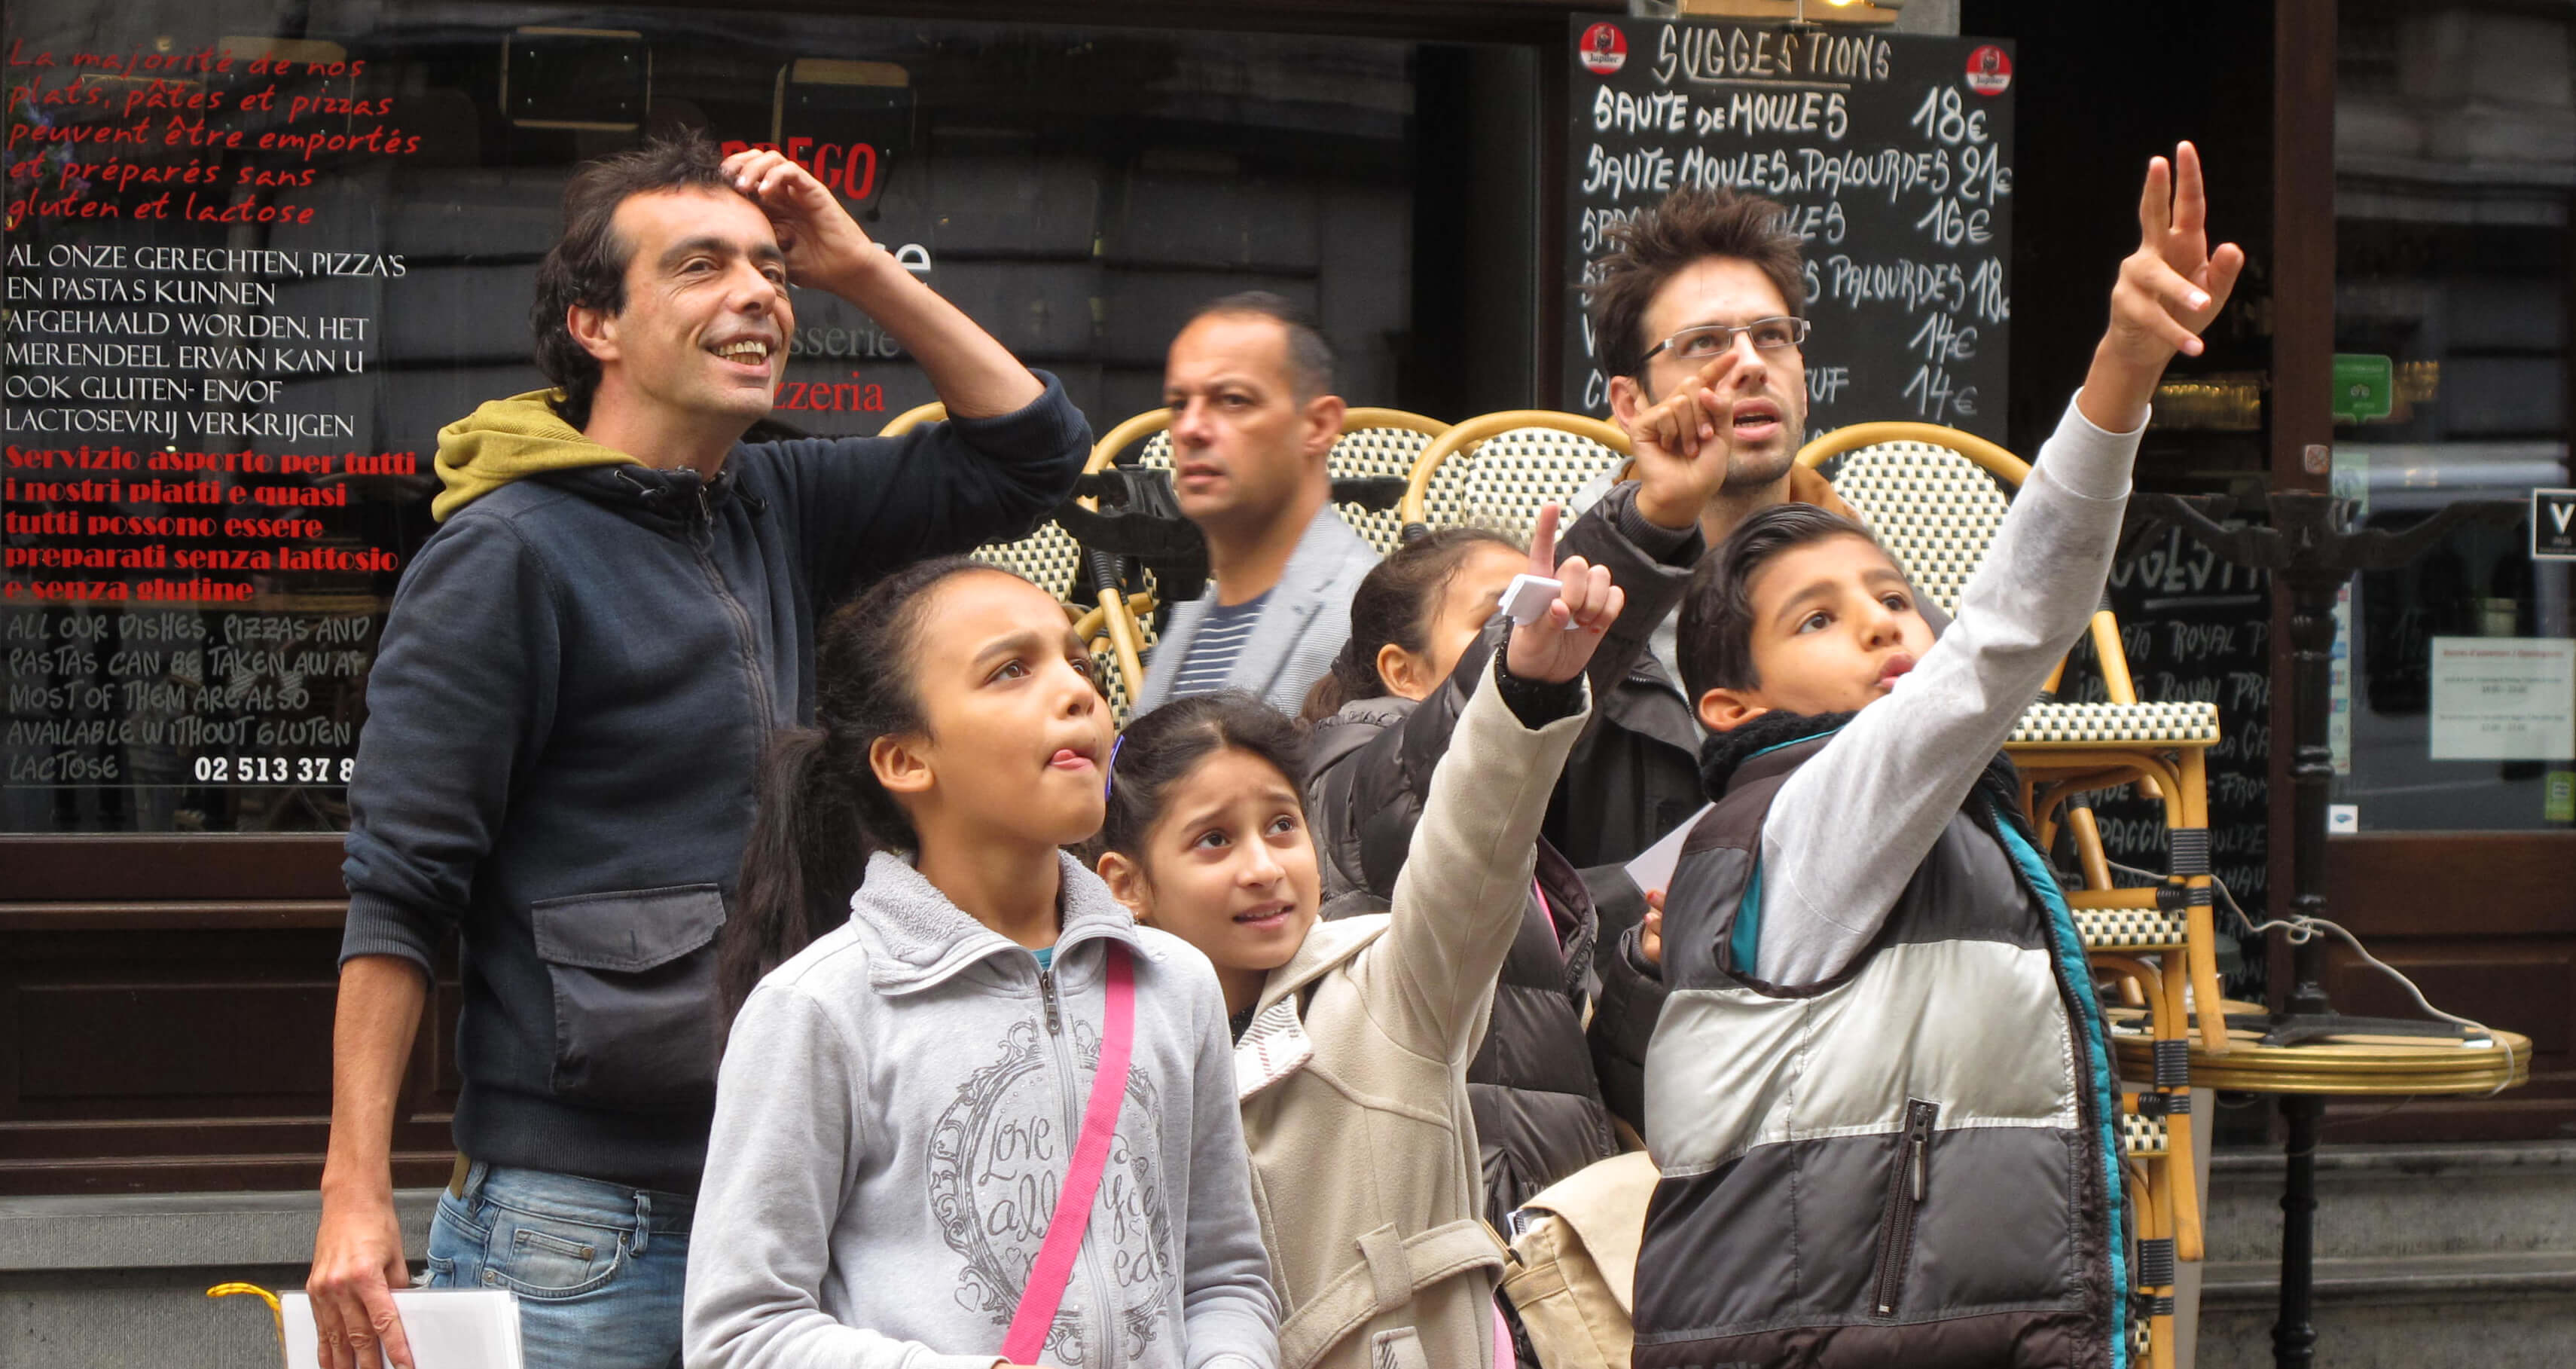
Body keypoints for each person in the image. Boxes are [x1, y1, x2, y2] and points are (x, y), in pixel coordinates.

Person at [310, 134, 1092, 1369]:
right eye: (701, 267)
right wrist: (353, 1189)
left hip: (789, 1192)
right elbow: (402, 889)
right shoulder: (503, 556)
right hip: (586, 1225)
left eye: (771, 270)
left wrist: (860, 268)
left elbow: (1036, 450)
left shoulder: (772, 502)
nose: (758, 295)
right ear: (597, 325)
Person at [1626, 145, 2240, 1367]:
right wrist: (2122, 367)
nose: (1881, 623)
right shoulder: (1811, 802)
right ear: (1732, 705)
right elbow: (2011, 629)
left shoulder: (1927, 800)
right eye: (1819, 617)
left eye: (1897, 597)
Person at [683, 558, 1277, 1369]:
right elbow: (741, 1331)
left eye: (1082, 663)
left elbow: (1222, 1274)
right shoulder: (822, 1008)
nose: (1077, 691)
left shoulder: (1175, 979)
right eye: (1010, 671)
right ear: (904, 760)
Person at [1093, 509, 1622, 1369]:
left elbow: (1475, 842)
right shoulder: (1097, 1050)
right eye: (1214, 841)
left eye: (1282, 825)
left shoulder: (1392, 986)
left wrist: (1525, 691)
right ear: (1127, 884)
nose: (1264, 867)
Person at [1295, 383, 1738, 1200]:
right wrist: (1640, 529)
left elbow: (1577, 1081)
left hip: (1553, 1241)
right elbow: (1433, 774)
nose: (1538, 626)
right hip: (1452, 1229)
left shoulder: (1530, 812)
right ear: (1402, 669)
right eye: (1503, 612)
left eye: (1539, 604)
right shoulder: (1344, 772)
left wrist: (1639, 973)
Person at [1579, 185, 1868, 691]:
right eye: (1705, 342)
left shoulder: (1861, 562)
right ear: (1631, 405)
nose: (1752, 365)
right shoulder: (1578, 586)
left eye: (1773, 335)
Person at [1133, 293, 1378, 715]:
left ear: (1318, 426)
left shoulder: (1366, 618)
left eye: (1233, 400)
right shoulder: (1191, 629)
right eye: (1178, 404)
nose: (1189, 428)